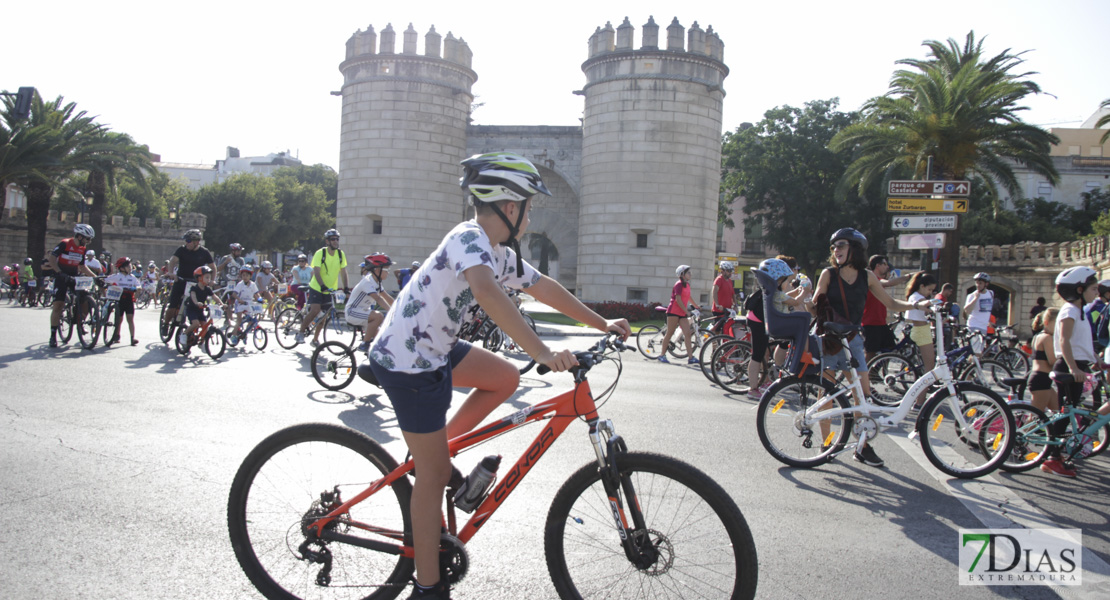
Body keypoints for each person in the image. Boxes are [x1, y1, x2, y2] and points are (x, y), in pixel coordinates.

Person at [368, 152, 629, 600]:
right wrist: (543, 352)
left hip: (437, 352)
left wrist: (600, 323)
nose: (529, 219)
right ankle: (426, 586)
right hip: (407, 361)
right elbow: (487, 292)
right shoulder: (468, 238)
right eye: (529, 208)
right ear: (511, 208)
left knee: (505, 378)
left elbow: (544, 287)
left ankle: (435, 458)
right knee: (429, 479)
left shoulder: (496, 252)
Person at [812, 228, 930, 468]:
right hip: (830, 338)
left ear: (854, 248)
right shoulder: (828, 274)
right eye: (834, 247)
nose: (836, 250)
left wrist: (918, 305)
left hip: (853, 338)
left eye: (841, 245)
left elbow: (892, 303)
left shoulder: (867, 277)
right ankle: (827, 445)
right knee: (827, 394)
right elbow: (814, 306)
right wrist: (809, 304)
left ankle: (862, 445)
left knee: (862, 394)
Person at [1042, 266, 1100, 478]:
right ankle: (1052, 457)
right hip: (1069, 366)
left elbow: (1080, 342)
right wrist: (1073, 367)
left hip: (1078, 365)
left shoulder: (1080, 312)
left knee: (1070, 411)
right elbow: (1064, 340)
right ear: (1078, 290)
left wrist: (1097, 360)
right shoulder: (1069, 311)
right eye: (1093, 289)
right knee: (1066, 414)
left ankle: (1056, 455)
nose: (1097, 293)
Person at [46, 224, 99, 348]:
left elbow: (82, 266)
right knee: (58, 305)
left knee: (85, 298)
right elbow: (52, 259)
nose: (89, 242)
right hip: (61, 275)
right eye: (87, 238)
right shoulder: (64, 244)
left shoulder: (83, 248)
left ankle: (79, 321)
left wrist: (95, 277)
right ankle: (53, 335)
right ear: (79, 236)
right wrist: (59, 272)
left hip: (74, 276)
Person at [297, 229, 350, 346]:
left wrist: (346, 288)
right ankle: (300, 333)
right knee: (315, 310)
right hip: (317, 287)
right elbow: (316, 271)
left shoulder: (341, 254)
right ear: (327, 241)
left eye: (337, 239)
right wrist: (322, 286)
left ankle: (315, 340)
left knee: (324, 316)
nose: (336, 241)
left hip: (330, 289)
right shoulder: (320, 253)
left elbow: (343, 272)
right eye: (333, 239)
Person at [161, 230, 217, 337]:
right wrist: (171, 273)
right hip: (181, 280)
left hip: (196, 284)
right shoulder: (182, 250)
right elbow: (173, 261)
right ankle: (166, 324)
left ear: (196, 242)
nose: (186, 243)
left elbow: (213, 268)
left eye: (188, 240)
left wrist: (212, 280)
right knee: (172, 305)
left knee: (197, 306)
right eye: (186, 240)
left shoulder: (204, 252)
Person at [862, 255, 914, 362]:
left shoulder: (878, 280)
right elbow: (890, 283)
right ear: (878, 266)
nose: (887, 267)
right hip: (870, 322)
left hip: (880, 322)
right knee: (871, 352)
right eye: (885, 264)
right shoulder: (872, 279)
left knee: (890, 349)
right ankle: (864, 375)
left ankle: (875, 373)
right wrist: (909, 276)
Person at [345, 253, 395, 352]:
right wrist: (392, 311)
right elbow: (378, 299)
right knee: (378, 316)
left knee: (382, 340)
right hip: (352, 312)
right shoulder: (367, 282)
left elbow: (387, 297)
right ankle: (364, 344)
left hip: (363, 312)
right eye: (386, 270)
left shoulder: (377, 282)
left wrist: (400, 307)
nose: (388, 273)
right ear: (377, 270)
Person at [904, 272, 938, 406]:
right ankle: (919, 402)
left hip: (922, 330)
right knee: (929, 367)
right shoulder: (916, 296)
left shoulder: (918, 295)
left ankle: (920, 400)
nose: (929, 293)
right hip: (921, 331)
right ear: (921, 286)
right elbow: (917, 303)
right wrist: (933, 301)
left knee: (928, 366)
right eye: (929, 289)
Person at [657, 265, 702, 365]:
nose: (690, 274)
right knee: (670, 333)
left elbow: (688, 297)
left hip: (682, 312)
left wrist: (696, 306)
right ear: (682, 274)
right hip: (673, 311)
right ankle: (662, 355)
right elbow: (678, 299)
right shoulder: (678, 284)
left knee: (687, 334)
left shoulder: (687, 285)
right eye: (688, 272)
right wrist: (686, 311)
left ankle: (691, 358)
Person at [179, 265, 224, 350]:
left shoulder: (207, 289)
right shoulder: (194, 288)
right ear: (199, 278)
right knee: (196, 324)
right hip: (192, 309)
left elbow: (214, 297)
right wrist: (197, 303)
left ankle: (201, 342)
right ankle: (184, 334)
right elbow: (193, 296)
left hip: (200, 311)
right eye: (207, 277)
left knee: (205, 327)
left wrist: (222, 304)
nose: (209, 280)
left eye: (209, 278)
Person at [1027, 308, 1060, 415]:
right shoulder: (1047, 338)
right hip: (1041, 380)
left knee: (1058, 413)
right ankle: (1016, 432)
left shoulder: (1037, 336)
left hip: (1040, 379)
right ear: (1046, 323)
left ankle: (1056, 431)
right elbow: (1052, 361)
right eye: (1057, 323)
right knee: (1035, 417)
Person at [105, 257, 141, 345]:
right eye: (128, 266)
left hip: (129, 300)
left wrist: (136, 289)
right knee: (119, 319)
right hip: (119, 300)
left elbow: (139, 286)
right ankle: (117, 335)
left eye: (130, 266)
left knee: (130, 319)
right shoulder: (117, 276)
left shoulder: (132, 277)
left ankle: (132, 338)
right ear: (121, 268)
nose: (130, 267)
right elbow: (106, 280)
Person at [228, 265, 260, 340]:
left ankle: (245, 333)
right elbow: (234, 294)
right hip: (240, 304)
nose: (245, 277)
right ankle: (234, 334)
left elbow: (256, 294)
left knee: (252, 319)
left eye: (247, 275)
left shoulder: (253, 284)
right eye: (243, 275)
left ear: (250, 276)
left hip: (249, 304)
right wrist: (239, 300)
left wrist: (260, 299)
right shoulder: (240, 284)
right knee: (239, 319)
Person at [1083, 280, 1110, 353]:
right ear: (1107, 294)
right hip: (1095, 344)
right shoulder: (1101, 308)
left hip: (1088, 342)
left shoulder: (1091, 304)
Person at [710, 261, 736, 332]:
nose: (730, 273)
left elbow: (733, 294)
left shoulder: (730, 281)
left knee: (726, 329)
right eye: (728, 271)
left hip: (727, 310)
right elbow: (714, 292)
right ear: (722, 271)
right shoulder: (719, 279)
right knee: (716, 329)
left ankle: (721, 342)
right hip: (718, 310)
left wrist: (735, 304)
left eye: (731, 271)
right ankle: (709, 340)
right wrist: (717, 304)